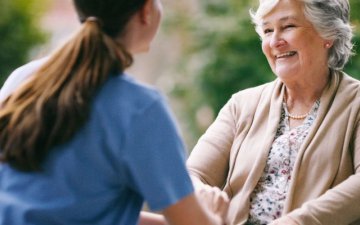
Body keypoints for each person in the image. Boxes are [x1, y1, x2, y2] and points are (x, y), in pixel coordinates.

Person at [0, 0, 228, 224]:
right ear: (146, 11)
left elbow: (73, 211)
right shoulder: (141, 109)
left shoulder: (23, 79)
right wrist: (213, 215)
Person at [187, 0, 360, 224]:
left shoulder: (355, 103)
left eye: (288, 27)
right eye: (268, 30)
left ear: (327, 34)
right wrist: (202, 193)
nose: (274, 42)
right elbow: (193, 174)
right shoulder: (241, 104)